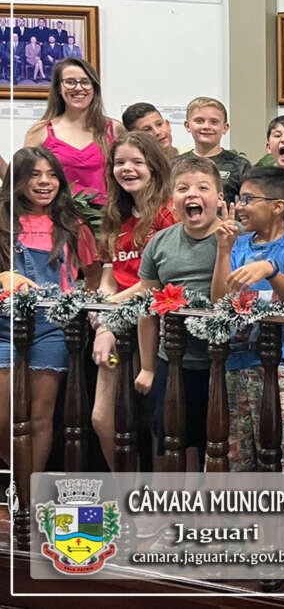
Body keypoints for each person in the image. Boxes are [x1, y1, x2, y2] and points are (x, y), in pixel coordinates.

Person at [0, 147, 101, 475]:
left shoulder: (73, 224)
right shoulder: (2, 218)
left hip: (52, 326)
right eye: (34, 174)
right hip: (3, 325)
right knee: (4, 416)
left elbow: (94, 276)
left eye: (52, 174)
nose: (45, 182)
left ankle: (27, 496)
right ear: (16, 179)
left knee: (40, 417)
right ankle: (19, 478)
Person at [211, 167, 284, 474]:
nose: (239, 206)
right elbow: (220, 299)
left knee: (283, 447)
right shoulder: (239, 244)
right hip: (235, 360)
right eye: (239, 198)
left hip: (277, 362)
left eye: (248, 198)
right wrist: (223, 250)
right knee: (236, 450)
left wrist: (270, 269)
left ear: (277, 206)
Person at [132, 155, 226, 471]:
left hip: (220, 364)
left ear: (219, 197)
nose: (192, 194)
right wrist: (147, 367)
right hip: (171, 361)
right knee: (170, 441)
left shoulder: (233, 238)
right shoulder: (159, 243)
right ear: (173, 201)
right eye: (183, 188)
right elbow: (146, 308)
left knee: (211, 444)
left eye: (203, 187)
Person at [91, 132, 177, 470]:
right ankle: (128, 488)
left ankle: (157, 503)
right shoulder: (116, 215)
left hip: (155, 324)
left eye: (137, 162)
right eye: (120, 162)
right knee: (101, 417)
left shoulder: (169, 214)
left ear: (154, 167)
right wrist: (102, 307)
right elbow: (110, 276)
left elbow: (156, 284)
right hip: (119, 323)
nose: (127, 169)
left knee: (159, 421)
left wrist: (109, 315)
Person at [24, 58, 123, 211]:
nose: (78, 88)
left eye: (85, 82)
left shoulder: (114, 129)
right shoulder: (40, 131)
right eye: (70, 82)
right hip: (58, 218)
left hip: (107, 221)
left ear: (94, 87)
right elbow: (21, 180)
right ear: (58, 87)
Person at [180, 97, 251, 206]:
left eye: (214, 122)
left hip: (228, 222)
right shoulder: (175, 165)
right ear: (187, 125)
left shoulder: (240, 166)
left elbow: (249, 205)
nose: (206, 126)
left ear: (225, 128)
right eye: (199, 121)